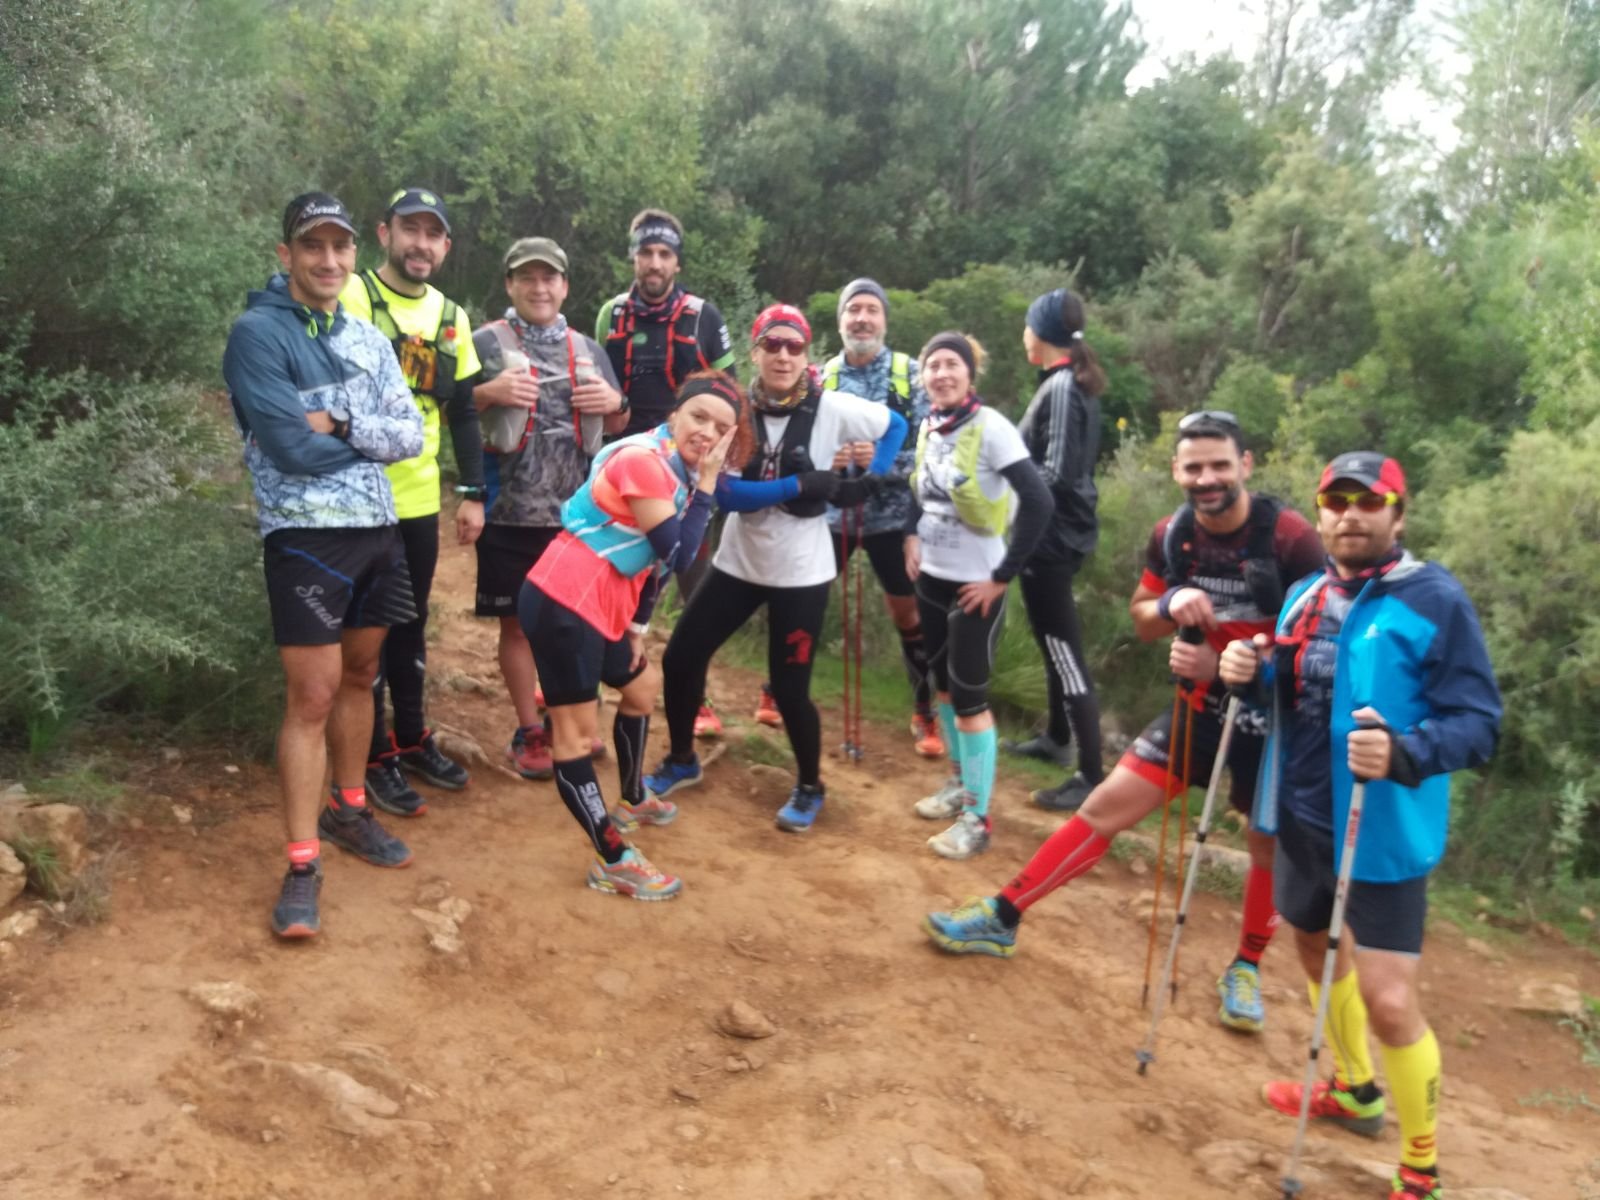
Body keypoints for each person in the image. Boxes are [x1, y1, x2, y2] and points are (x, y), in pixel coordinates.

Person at [922, 411, 1323, 1038]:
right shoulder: (1174, 534)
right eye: (1194, 467)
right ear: (1176, 471)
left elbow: (1326, 639)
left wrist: (1240, 664)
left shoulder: (1291, 538)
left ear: (1245, 465)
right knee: (1104, 807)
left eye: (1220, 465)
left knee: (1263, 844)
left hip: (1276, 720)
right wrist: (1170, 604)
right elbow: (1142, 617)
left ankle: (1245, 967)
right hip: (1198, 708)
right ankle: (1003, 915)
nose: (1207, 478)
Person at [1218, 452, 1500, 1200]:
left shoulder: (1435, 601)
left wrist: (1407, 752)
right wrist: (1251, 670)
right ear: (1320, 514)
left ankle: (1421, 1166)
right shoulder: (1305, 594)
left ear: (1398, 515)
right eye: (1336, 501)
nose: (1350, 514)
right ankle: (1353, 1089)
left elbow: (1479, 723)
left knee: (1391, 1001)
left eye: (1369, 501)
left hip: (1381, 832)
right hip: (1304, 814)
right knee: (1313, 945)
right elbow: (1291, 684)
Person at [222, 192, 424, 939]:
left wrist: (337, 422)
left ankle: (350, 809)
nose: (329, 260)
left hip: (378, 533)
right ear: (287, 256)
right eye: (313, 246)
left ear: (353, 254)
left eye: (340, 247)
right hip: (306, 536)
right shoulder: (257, 334)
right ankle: (302, 864)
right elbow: (289, 450)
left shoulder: (368, 337)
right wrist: (365, 439)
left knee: (362, 677)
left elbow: (411, 437)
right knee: (311, 696)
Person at [645, 304, 907, 831]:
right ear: (755, 351)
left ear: (807, 355)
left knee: (789, 689)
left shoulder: (833, 408)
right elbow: (727, 494)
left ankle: (810, 786)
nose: (783, 355)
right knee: (681, 658)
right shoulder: (735, 411)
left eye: (794, 346)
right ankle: (681, 759)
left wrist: (871, 478)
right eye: (772, 344)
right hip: (738, 563)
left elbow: (896, 425)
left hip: (801, 573)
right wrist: (800, 484)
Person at [519, 372, 747, 899]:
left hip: (604, 605)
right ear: (674, 415)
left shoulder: (678, 468)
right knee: (574, 738)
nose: (707, 432)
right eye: (699, 417)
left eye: (721, 427)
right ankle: (612, 858)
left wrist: (636, 628)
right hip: (566, 601)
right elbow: (678, 554)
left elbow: (653, 568)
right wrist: (709, 486)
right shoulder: (644, 462)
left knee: (641, 690)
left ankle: (633, 798)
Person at [337, 187, 486, 817]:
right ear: (385, 234)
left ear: (445, 246)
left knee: (410, 621)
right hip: (356, 498)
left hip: (420, 499)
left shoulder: (452, 316)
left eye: (432, 234)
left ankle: (411, 735)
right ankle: (372, 756)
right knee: (363, 635)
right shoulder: (351, 293)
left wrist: (473, 492)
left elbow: (464, 412)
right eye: (410, 230)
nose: (420, 244)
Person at [755, 277, 939, 756]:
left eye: (871, 310)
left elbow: (932, 452)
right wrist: (828, 461)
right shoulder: (818, 376)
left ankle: (925, 709)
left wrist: (883, 462)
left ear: (884, 320)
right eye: (853, 310)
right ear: (839, 322)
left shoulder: (911, 375)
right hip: (829, 514)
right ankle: (777, 689)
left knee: (907, 611)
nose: (862, 318)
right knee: (800, 599)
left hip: (893, 518)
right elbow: (794, 447)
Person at [472, 237, 626, 780]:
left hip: (578, 518)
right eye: (527, 277)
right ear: (510, 284)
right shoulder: (485, 342)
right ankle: (529, 729)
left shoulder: (589, 349)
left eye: (549, 278)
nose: (539, 288)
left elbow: (619, 422)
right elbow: (447, 409)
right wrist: (486, 393)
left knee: (576, 626)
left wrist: (616, 403)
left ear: (564, 286)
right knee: (516, 627)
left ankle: (570, 722)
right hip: (507, 512)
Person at [905, 333, 1053, 858]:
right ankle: (958, 784)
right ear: (923, 376)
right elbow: (918, 486)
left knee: (969, 699)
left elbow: (1038, 500)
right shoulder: (930, 424)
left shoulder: (992, 428)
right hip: (932, 578)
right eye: (933, 365)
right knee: (943, 689)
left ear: (970, 374)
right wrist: (910, 535)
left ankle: (978, 818)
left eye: (952, 364)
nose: (942, 374)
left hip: (976, 587)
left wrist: (1003, 576)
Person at [596, 209, 737, 737]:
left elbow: (730, 396)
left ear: (677, 262)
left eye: (664, 254)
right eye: (646, 253)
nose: (654, 263)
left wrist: (721, 468)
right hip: (626, 470)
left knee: (692, 583)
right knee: (608, 571)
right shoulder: (611, 315)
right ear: (633, 257)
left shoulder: (703, 317)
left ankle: (697, 697)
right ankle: (586, 676)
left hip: (689, 470)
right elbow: (601, 387)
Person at [1005, 289, 1107, 811]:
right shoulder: (1063, 382)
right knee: (1051, 640)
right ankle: (1056, 739)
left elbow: (1057, 473)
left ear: (1041, 333)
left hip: (1052, 538)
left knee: (1064, 650)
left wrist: (1007, 491)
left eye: (1027, 326)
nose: (1023, 335)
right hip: (1054, 533)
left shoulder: (1063, 386)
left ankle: (1091, 773)